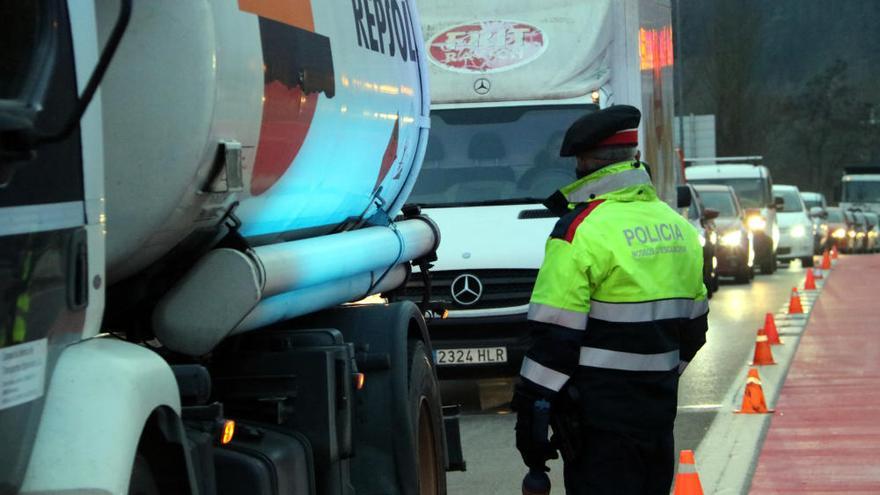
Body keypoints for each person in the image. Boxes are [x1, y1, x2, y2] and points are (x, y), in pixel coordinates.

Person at [512, 105, 709, 494]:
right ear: (634, 157)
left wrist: (531, 412)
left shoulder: (579, 232)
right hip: (656, 418)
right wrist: (656, 378)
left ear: (585, 162)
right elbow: (695, 329)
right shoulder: (678, 228)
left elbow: (553, 338)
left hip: (598, 425)